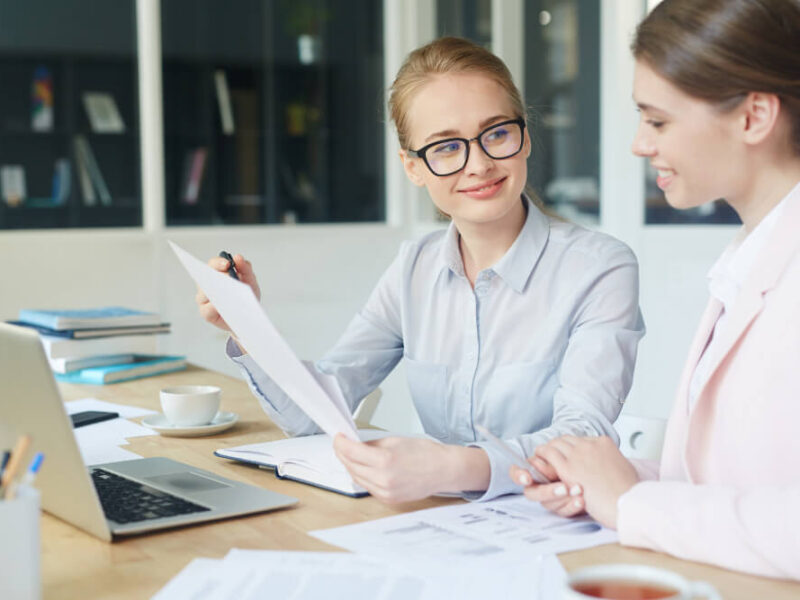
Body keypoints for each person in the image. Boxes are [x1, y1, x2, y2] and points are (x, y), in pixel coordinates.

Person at [197, 37, 644, 504]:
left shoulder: (600, 268)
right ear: (413, 167)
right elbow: (315, 414)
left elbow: (583, 436)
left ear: (525, 136)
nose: (479, 163)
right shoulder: (414, 267)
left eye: (496, 134)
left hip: (546, 529)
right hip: (437, 524)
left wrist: (450, 467)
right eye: (446, 148)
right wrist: (245, 323)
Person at [512, 0, 800, 580]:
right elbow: (735, 483)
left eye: (658, 120)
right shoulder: (749, 258)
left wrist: (632, 503)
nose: (639, 145)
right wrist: (607, 478)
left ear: (754, 117)